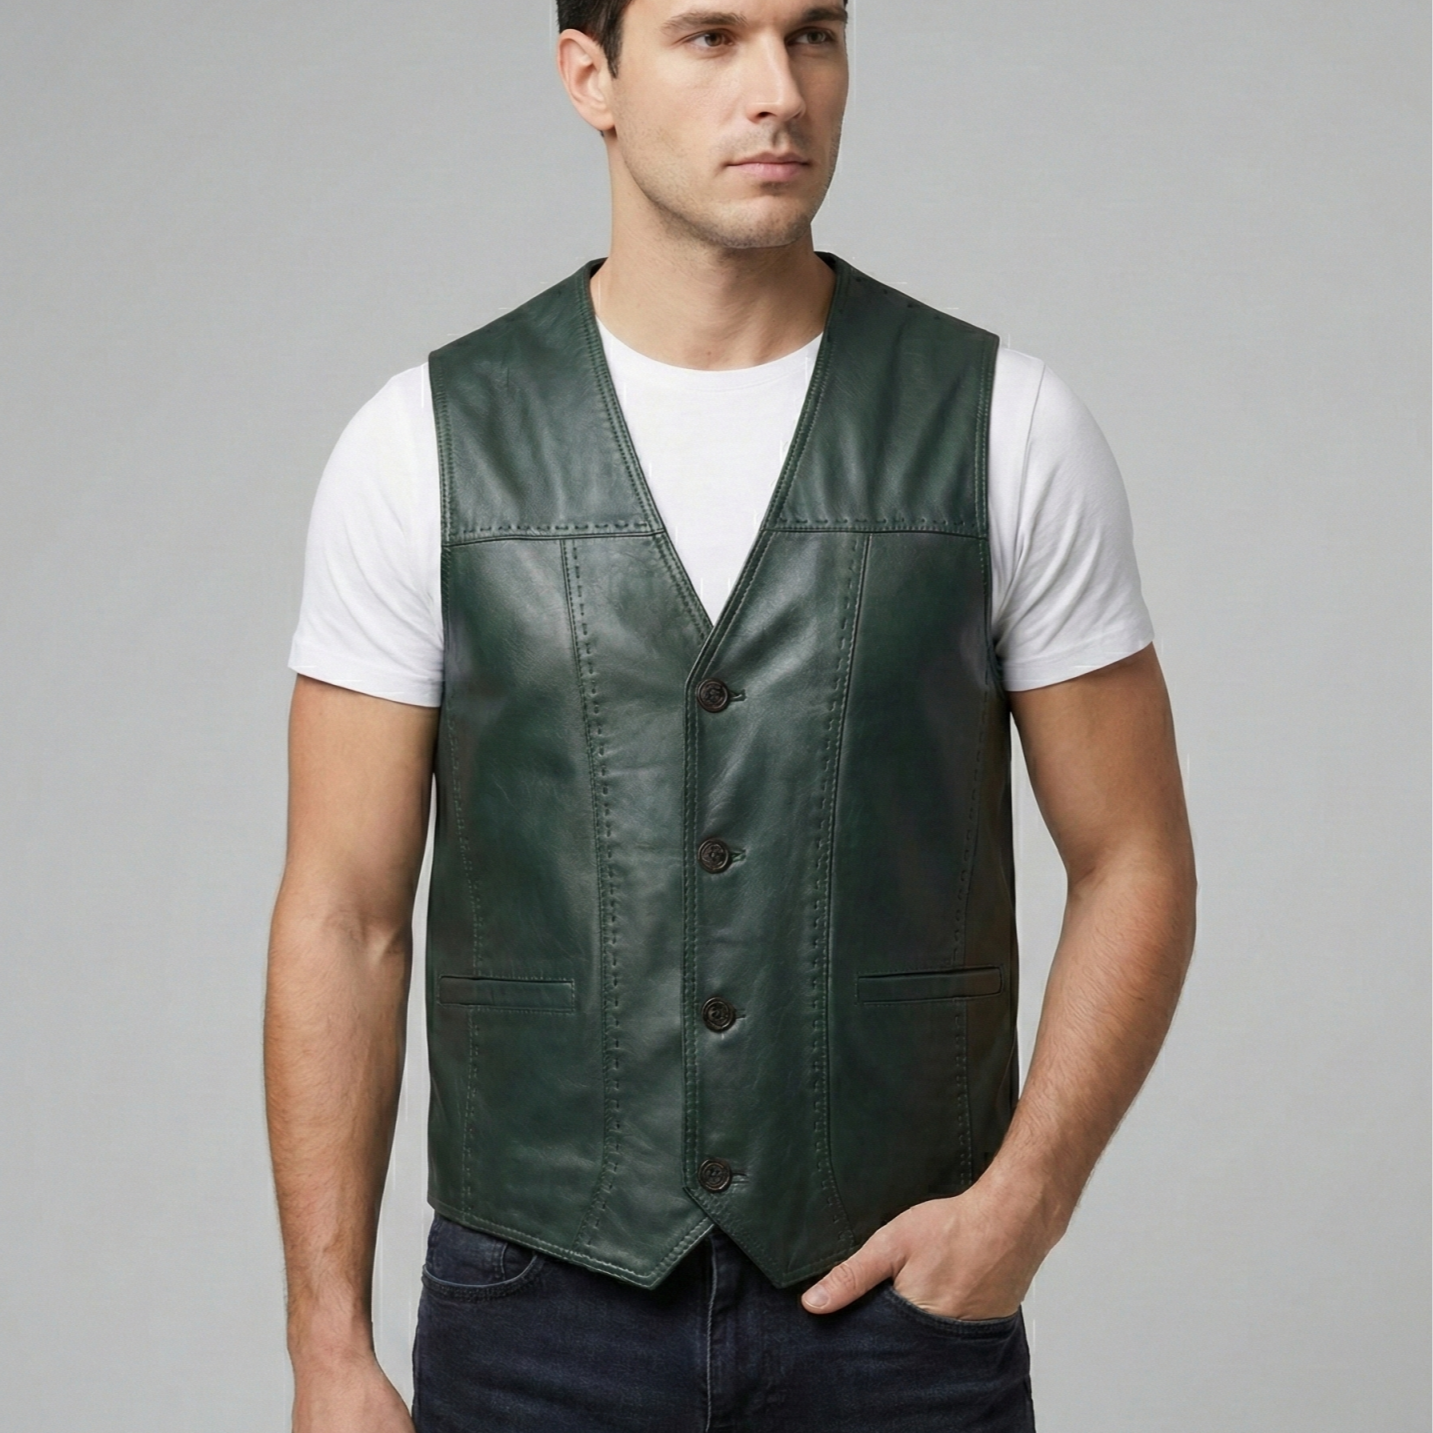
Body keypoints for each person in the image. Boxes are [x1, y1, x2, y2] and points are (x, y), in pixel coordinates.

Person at [264, 1, 1197, 1429]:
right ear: (591, 77)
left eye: (813, 34)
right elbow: (343, 913)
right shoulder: (421, 446)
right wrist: (326, 1346)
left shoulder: (1006, 425)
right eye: (712, 37)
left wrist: (1024, 1205)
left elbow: (1137, 857)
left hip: (896, 1321)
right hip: (536, 1318)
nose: (780, 90)